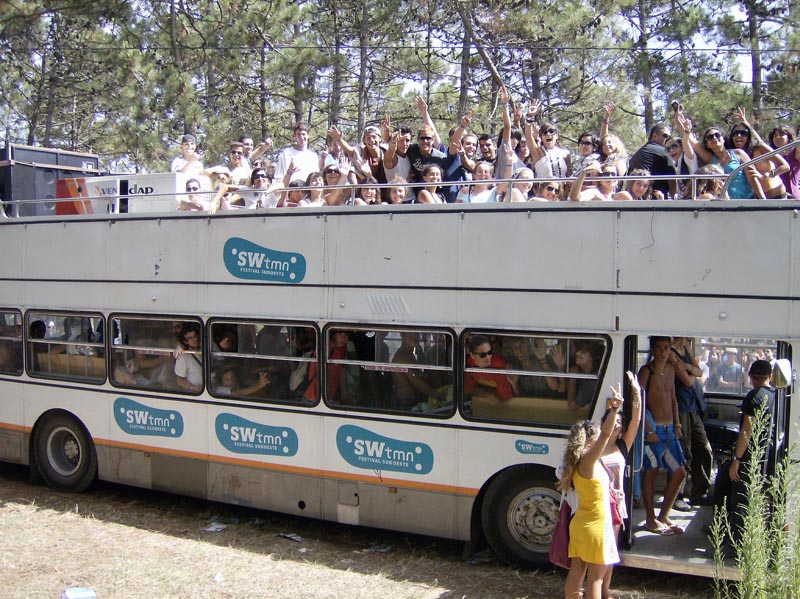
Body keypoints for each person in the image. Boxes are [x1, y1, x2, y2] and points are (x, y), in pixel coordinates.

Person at [558, 390, 624, 599]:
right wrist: (614, 409)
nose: (600, 442)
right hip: (596, 527)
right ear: (588, 442)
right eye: (595, 439)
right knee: (595, 577)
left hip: (580, 525)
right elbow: (606, 434)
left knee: (577, 572)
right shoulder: (589, 461)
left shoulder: (576, 462)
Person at [713, 359, 775, 550]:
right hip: (764, 453)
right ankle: (722, 530)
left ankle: (734, 543)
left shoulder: (754, 397)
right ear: (770, 376)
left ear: (750, 376)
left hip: (749, 456)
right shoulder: (773, 395)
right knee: (725, 484)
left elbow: (747, 431)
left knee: (739, 497)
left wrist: (737, 460)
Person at [600, 371, 642, 599]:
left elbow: (636, 419)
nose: (618, 426)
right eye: (614, 421)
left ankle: (604, 590)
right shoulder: (594, 445)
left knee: (611, 548)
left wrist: (636, 392)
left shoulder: (623, 445)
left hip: (615, 503)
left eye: (620, 423)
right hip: (596, 502)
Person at [638, 336, 686, 535]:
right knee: (652, 471)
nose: (663, 352)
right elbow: (638, 400)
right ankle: (650, 518)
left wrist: (677, 424)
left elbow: (673, 398)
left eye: (666, 348)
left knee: (680, 472)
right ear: (653, 350)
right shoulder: (646, 371)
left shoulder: (671, 370)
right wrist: (648, 429)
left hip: (669, 431)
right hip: (653, 430)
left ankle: (663, 514)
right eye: (659, 348)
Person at [669, 337, 713, 508]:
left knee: (704, 448)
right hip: (680, 407)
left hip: (693, 407)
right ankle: (677, 495)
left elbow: (700, 372)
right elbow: (687, 380)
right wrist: (692, 371)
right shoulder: (671, 352)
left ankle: (699, 492)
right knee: (683, 452)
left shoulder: (686, 350)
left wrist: (689, 367)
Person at [690, 126, 759, 199]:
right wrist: (684, 127)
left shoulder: (739, 153)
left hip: (748, 201)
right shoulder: (710, 160)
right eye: (710, 137)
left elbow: (753, 178)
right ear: (707, 145)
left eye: (717, 135)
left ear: (723, 139)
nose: (714, 138)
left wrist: (763, 199)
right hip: (726, 205)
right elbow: (692, 142)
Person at [391, 331, 444, 411]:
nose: (415, 337)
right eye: (410, 333)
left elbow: (421, 371)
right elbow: (417, 382)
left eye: (417, 334)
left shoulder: (410, 354)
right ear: (402, 335)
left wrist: (420, 352)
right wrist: (436, 395)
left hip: (413, 400)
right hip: (406, 403)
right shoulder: (403, 356)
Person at [627, 124, 677, 198]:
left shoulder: (638, 153)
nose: (669, 140)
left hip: (633, 198)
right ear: (655, 136)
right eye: (666, 136)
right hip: (655, 201)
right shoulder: (663, 152)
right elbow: (673, 183)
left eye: (670, 138)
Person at [464, 334, 514, 406]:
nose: (488, 357)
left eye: (490, 353)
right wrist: (488, 395)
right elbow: (468, 389)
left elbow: (505, 396)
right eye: (483, 355)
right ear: (472, 356)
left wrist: (482, 390)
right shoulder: (467, 364)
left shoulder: (498, 365)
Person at [769, 124, 800, 198]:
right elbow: (759, 142)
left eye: (781, 134)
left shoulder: (795, 152)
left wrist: (770, 174)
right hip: (773, 196)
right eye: (775, 135)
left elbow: (775, 173)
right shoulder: (772, 154)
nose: (777, 137)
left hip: (790, 197)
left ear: (789, 137)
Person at [567, 342, 600, 410]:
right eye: (578, 351)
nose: (577, 353)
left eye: (583, 352)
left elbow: (572, 406)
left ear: (592, 357)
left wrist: (572, 379)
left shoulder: (593, 381)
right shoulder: (580, 371)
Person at [174, 323, 203, 392]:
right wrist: (194, 388)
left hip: (215, 385)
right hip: (199, 392)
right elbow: (179, 380)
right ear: (185, 342)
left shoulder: (209, 346)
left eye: (195, 336)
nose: (195, 339)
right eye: (190, 338)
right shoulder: (183, 355)